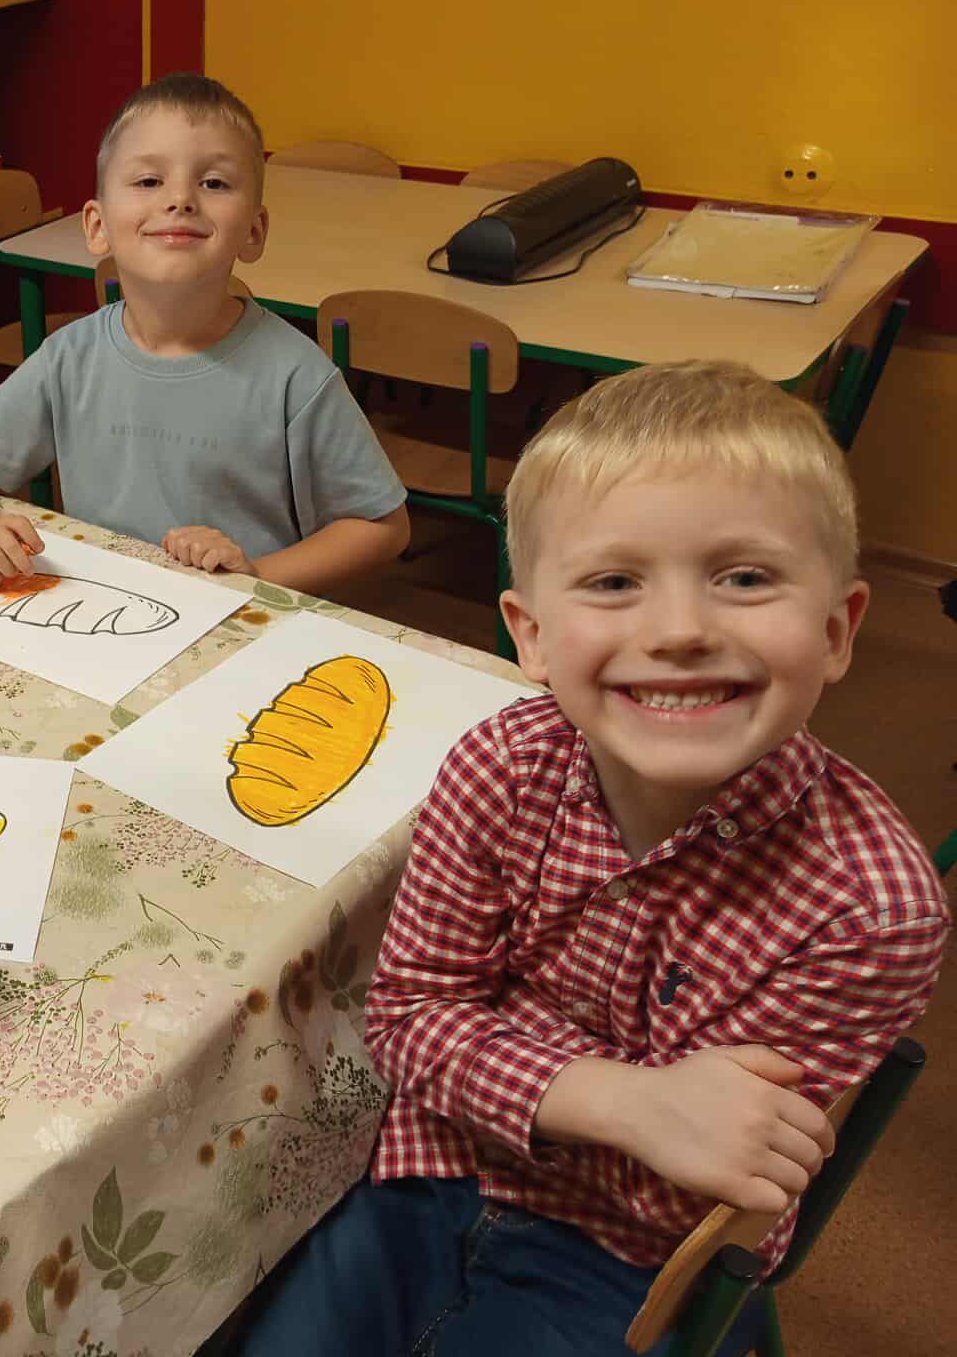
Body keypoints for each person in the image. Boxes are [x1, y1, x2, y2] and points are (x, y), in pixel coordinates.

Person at [232, 360, 950, 1356]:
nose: (680, 631)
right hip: (433, 1170)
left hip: (625, 1258)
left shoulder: (870, 908)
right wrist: (633, 1102)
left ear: (835, 632)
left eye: (744, 578)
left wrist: (513, 1065)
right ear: (529, 636)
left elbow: (695, 1188)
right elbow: (407, 1021)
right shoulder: (500, 764)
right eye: (614, 582)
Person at [0, 72, 409, 593]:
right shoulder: (69, 358)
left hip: (239, 623)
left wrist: (257, 576)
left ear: (254, 230)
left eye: (213, 183)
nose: (180, 199)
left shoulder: (296, 375)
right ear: (97, 226)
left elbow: (382, 526)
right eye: (149, 181)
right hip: (105, 610)